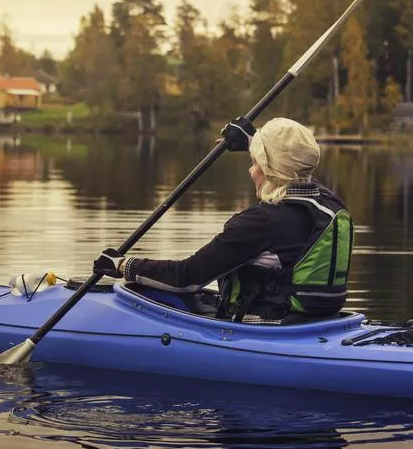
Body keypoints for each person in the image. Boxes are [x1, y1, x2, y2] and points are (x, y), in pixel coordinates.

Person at [93, 117, 354, 323]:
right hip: (321, 324)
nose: (252, 171)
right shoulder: (329, 204)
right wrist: (251, 140)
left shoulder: (261, 222)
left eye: (256, 162)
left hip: (267, 330)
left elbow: (187, 278)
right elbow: (296, 169)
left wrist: (122, 265)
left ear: (271, 169)